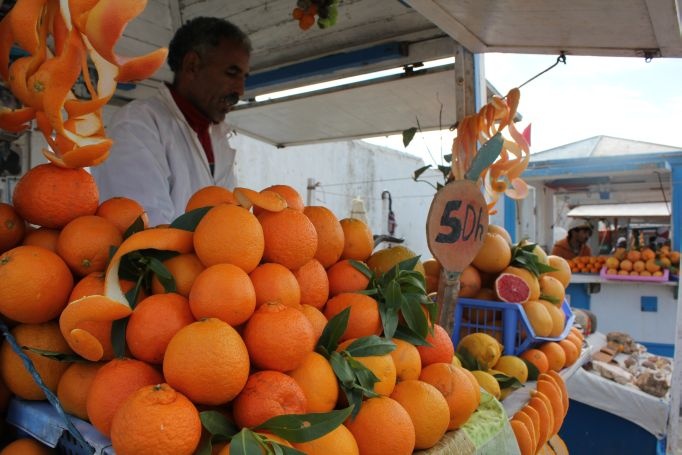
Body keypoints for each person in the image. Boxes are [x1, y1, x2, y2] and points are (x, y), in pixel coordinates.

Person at [91, 17, 251, 226]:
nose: (240, 90)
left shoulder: (216, 135)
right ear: (192, 65)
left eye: (244, 77)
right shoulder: (137, 125)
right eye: (232, 73)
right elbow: (145, 231)